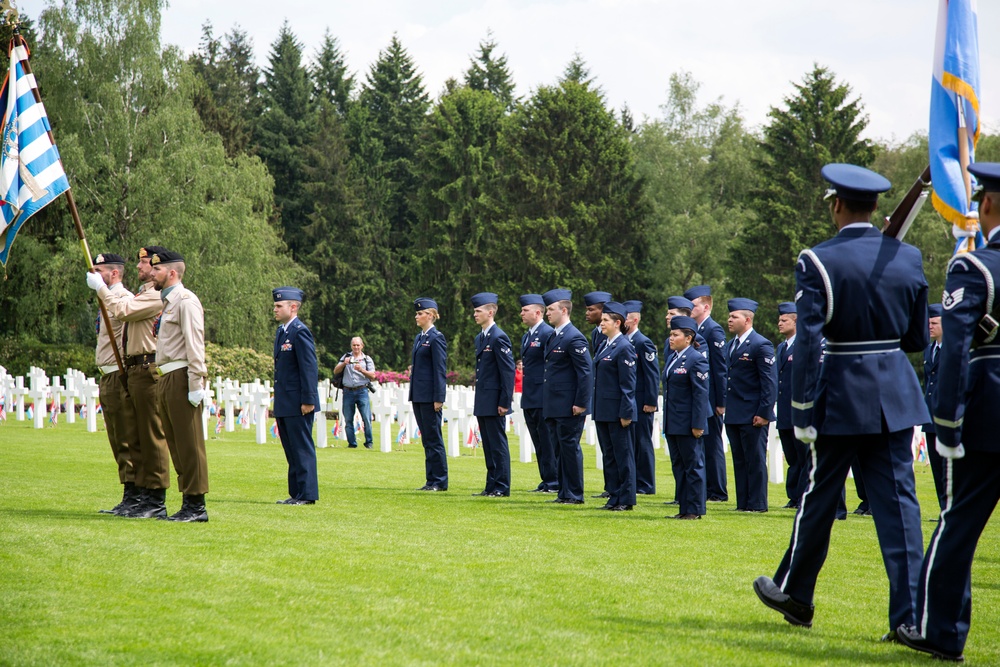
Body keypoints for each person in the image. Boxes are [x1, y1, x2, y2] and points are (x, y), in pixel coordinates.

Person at [754, 163, 927, 640]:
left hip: (842, 395)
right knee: (900, 508)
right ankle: (911, 618)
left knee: (819, 496)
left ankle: (797, 594)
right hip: (894, 392)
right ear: (872, 208)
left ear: (836, 205)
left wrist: (804, 411)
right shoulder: (907, 257)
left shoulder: (818, 260)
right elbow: (915, 335)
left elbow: (808, 343)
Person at [896, 163, 1000, 662]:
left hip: (987, 415)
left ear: (987, 205)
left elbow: (956, 351)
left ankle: (942, 632)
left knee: (956, 526)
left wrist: (947, 424)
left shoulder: (975, 267)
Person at [92, 245, 172, 519]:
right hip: (133, 370)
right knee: (132, 437)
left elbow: (123, 311)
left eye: (146, 264)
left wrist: (102, 290)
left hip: (145, 370)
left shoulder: (152, 296)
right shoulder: (140, 294)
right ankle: (138, 497)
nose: (139, 267)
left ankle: (154, 499)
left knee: (149, 437)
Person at [149, 249, 210, 522]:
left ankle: (196, 506)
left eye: (157, 269)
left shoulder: (185, 301)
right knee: (175, 443)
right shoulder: (168, 302)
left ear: (172, 273)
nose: (152, 273)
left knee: (189, 443)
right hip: (166, 376)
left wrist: (196, 381)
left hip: (182, 375)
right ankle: (188, 502)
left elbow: (195, 343)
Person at [85, 253, 138, 515]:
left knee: (126, 437)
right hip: (107, 374)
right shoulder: (105, 297)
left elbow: (123, 312)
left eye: (99, 270)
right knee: (116, 438)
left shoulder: (123, 297)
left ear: (114, 273)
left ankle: (134, 494)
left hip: (119, 374)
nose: (93, 274)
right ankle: (129, 493)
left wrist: (102, 289)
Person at [724, 298, 776, 513]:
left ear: (747, 320)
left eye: (733, 316)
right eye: (729, 316)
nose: (729, 319)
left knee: (754, 460)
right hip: (735, 412)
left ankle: (757, 504)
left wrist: (764, 412)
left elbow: (769, 383)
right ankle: (743, 502)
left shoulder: (760, 344)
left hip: (753, 414)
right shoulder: (731, 345)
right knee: (739, 460)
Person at [542, 289, 593, 505]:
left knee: (570, 448)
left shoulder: (574, 337)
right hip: (555, 403)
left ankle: (574, 493)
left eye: (551, 309)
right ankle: (564, 491)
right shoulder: (554, 335)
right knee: (560, 449)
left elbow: (585, 372)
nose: (547, 314)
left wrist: (581, 403)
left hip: (569, 405)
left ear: (564, 310)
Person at [272, 287, 320, 505]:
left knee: (301, 448)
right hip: (285, 400)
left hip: (299, 402)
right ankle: (296, 493)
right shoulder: (282, 332)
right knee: (291, 450)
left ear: (293, 307)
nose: (275, 309)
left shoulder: (300, 331)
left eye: (279, 306)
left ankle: (307, 494)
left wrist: (308, 399)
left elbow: (308, 367)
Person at [661, 316, 710, 520]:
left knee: (693, 466)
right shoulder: (674, 358)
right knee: (679, 466)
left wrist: (698, 424)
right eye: (671, 334)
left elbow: (700, 395)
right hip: (673, 422)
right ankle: (683, 507)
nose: (670, 338)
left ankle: (695, 509)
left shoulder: (696, 358)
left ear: (688, 338)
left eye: (675, 335)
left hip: (689, 423)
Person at [684, 285, 728, 502]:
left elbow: (720, 368)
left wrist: (721, 402)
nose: (689, 309)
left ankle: (717, 491)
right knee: (702, 447)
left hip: (710, 399)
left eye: (693, 305)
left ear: (706, 306)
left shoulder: (713, 330)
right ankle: (708, 488)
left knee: (712, 446)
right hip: (699, 398)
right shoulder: (695, 329)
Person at [470, 293, 516, 497]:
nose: (474, 314)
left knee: (497, 445)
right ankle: (491, 484)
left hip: (496, 400)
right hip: (484, 399)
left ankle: (502, 486)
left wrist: (505, 402)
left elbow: (507, 372)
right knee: (488, 445)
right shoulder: (481, 337)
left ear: (490, 312)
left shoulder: (499, 337)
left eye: (478, 311)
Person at [592, 302, 637, 511]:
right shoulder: (605, 344)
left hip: (618, 411)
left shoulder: (624, 346)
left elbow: (628, 384)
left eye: (605, 321)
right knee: (609, 455)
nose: (601, 324)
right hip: (603, 410)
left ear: (617, 323)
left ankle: (626, 498)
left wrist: (626, 412)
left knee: (623, 455)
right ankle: (614, 495)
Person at [519, 294, 557, 493]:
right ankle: (546, 479)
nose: (521, 314)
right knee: (538, 442)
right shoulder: (528, 336)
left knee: (547, 441)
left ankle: (553, 481)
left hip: (543, 396)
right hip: (530, 396)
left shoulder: (547, 333)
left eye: (525, 310)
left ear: (537, 312)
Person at [410, 298, 448, 491]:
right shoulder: (420, 338)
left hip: (430, 396)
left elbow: (440, 369)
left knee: (434, 438)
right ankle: (431, 479)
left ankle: (440, 480)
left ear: (431, 315)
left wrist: (438, 397)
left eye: (420, 313)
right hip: (418, 395)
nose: (416, 316)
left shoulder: (436, 338)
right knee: (427, 439)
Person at [623, 300, 659, 495]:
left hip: (642, 401)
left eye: (625, 317)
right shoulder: (623, 341)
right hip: (630, 402)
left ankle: (645, 484)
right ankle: (634, 482)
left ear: (635, 319)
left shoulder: (642, 342)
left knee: (643, 443)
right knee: (631, 443)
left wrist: (651, 401)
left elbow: (652, 374)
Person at [774, 302, 806, 509]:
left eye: (784, 320)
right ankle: (793, 496)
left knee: (803, 457)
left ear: (796, 321)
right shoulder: (781, 347)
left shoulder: (804, 345)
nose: (780, 323)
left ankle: (802, 496)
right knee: (792, 458)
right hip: (785, 411)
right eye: (779, 320)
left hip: (800, 411)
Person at [920, 303, 946, 513]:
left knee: (949, 469)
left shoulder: (957, 350)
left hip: (948, 416)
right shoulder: (929, 350)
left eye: (934, 323)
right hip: (930, 417)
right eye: (928, 322)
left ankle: (950, 509)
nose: (930, 326)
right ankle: (942, 509)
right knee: (937, 468)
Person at [335, 337, 376, 449]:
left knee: (366, 418)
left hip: (362, 390)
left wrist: (361, 370)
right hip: (348, 391)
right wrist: (344, 363)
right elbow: (336, 371)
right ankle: (352, 443)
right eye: (354, 345)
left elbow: (373, 375)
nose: (356, 347)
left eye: (358, 345)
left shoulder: (367, 359)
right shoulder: (346, 357)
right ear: (351, 346)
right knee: (348, 419)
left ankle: (369, 442)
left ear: (362, 346)